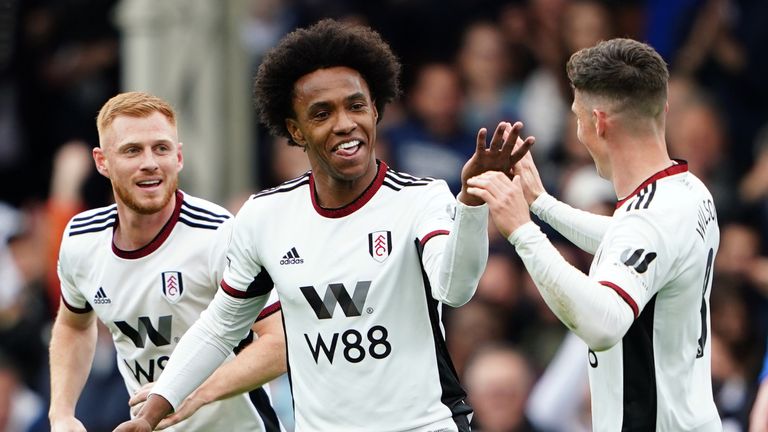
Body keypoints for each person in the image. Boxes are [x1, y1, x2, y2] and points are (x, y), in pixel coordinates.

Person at [115, 19, 533, 432]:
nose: (344, 123)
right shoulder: (266, 216)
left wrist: (472, 205)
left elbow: (456, 289)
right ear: (295, 130)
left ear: (376, 109)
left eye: (355, 105)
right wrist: (152, 414)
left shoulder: (421, 199)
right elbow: (220, 326)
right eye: (322, 113)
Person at [466, 38, 722, 430]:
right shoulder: (687, 189)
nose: (579, 130)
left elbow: (603, 324)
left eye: (577, 116)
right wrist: (540, 204)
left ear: (598, 123)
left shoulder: (649, 218)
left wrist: (522, 231)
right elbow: (627, 241)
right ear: (663, 108)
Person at [48, 91, 287, 431]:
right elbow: (73, 324)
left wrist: (189, 393)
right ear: (102, 162)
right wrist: (62, 413)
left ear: (179, 157)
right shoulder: (81, 239)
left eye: (161, 148)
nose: (150, 162)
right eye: (132, 150)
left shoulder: (219, 234)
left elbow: (280, 342)